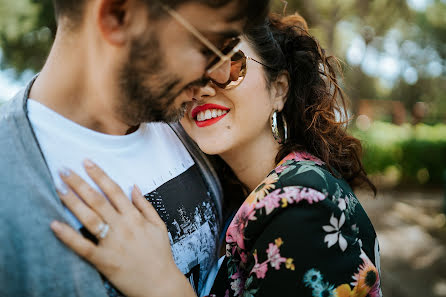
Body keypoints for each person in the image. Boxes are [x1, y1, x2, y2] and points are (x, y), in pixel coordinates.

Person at [50, 12, 383, 297]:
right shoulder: (250, 191)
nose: (201, 88)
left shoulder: (303, 205)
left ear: (278, 90)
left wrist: (160, 282)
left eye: (226, 63)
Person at [0, 0, 270, 296]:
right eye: (209, 48)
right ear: (118, 15)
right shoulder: (10, 193)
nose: (218, 78)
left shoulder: (188, 127)